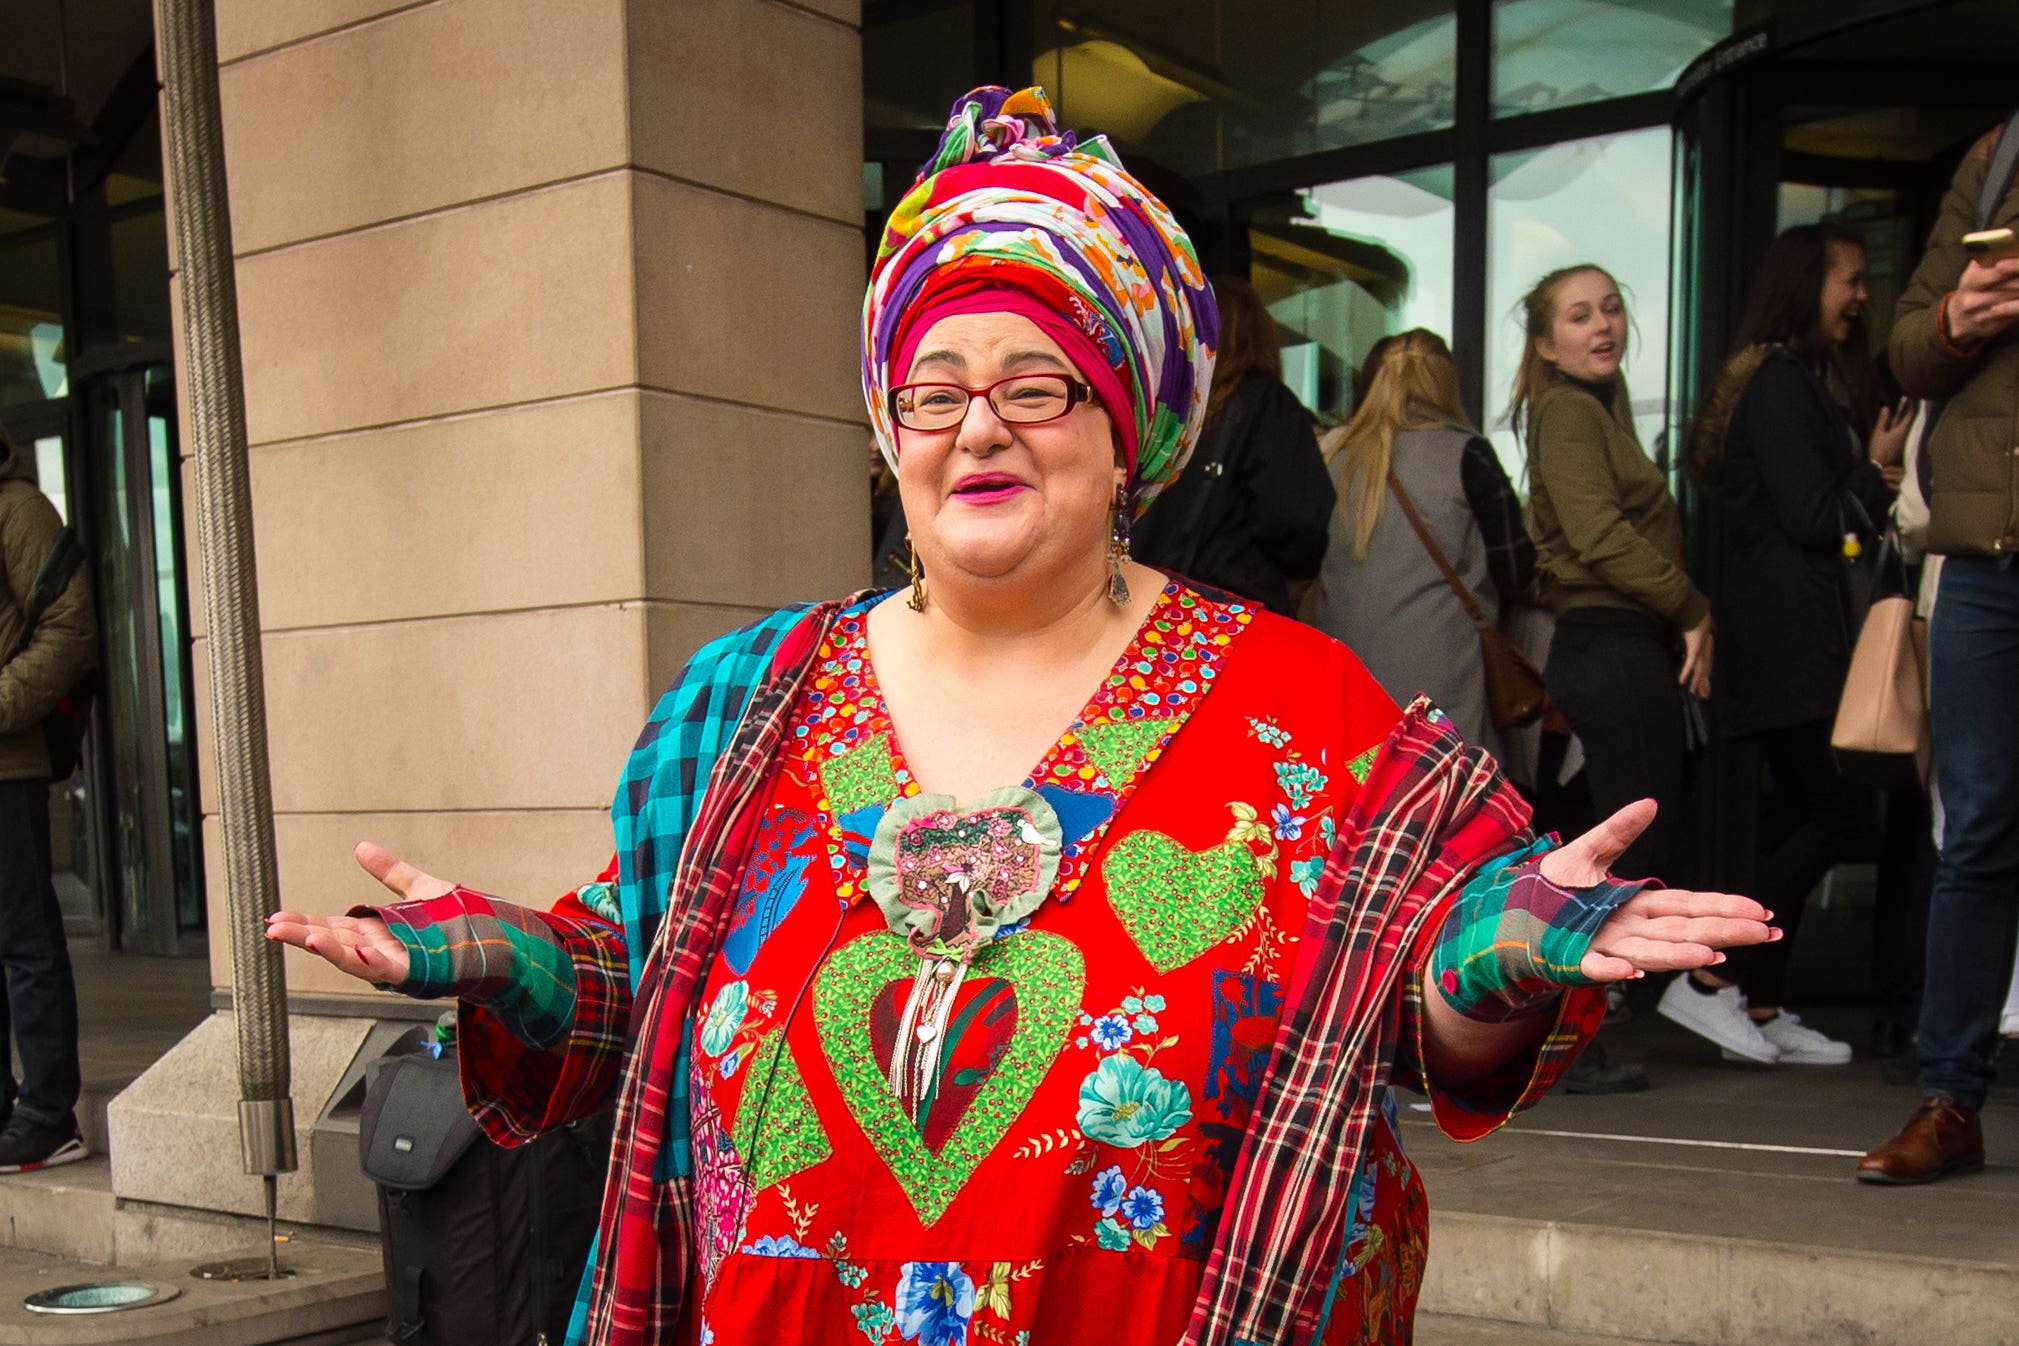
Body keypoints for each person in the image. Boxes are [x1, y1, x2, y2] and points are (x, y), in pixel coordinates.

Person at [268, 88, 1774, 1344]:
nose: (976, 422)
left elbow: (1419, 1011)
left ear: (1127, 435)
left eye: (1035, 384)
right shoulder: (741, 702)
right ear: (889, 439)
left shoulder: (1295, 705)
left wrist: (1503, 946)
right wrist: (492, 953)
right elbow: (626, 983)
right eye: (930, 392)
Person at [1664, 224, 1906, 1068]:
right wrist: (1874, 469)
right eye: (1850, 277)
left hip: (1791, 642)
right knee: (1838, 816)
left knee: (1807, 816)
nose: (1861, 296)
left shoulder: (1788, 380)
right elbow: (1812, 516)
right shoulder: (1778, 384)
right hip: (1793, 646)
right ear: (1807, 284)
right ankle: (1704, 985)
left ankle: (1759, 1003)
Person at [1860, 117, 2019, 1184]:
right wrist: (1959, 319)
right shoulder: (1995, 155)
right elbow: (1905, 344)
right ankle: (1949, 1097)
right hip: (1985, 551)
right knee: (1977, 827)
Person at [1516, 264, 1712, 886]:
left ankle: (1641, 985)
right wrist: (1693, 608)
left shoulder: (1596, 409)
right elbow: (1597, 536)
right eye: (1580, 316)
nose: (1603, 325)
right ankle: (1619, 986)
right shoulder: (1568, 410)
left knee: (1642, 856)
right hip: (1610, 645)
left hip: (1617, 649)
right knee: (1637, 864)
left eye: (1611, 308)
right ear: (1547, 345)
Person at [1302, 329, 1535, 756]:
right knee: (1446, 807)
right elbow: (1517, 568)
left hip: (1345, 685)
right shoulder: (1467, 454)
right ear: (1445, 383)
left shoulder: (1325, 455)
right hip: (1444, 688)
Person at [0, 429, 94, 1172]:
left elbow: (71, 627)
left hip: (6, 767)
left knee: (26, 943)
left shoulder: (19, 510)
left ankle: (47, 1112)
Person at [1131, 275, 1334, 614]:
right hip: (1235, 608)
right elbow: (1300, 521)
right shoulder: (1266, 404)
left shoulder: (1160, 410)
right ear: (1258, 336)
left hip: (1152, 608)